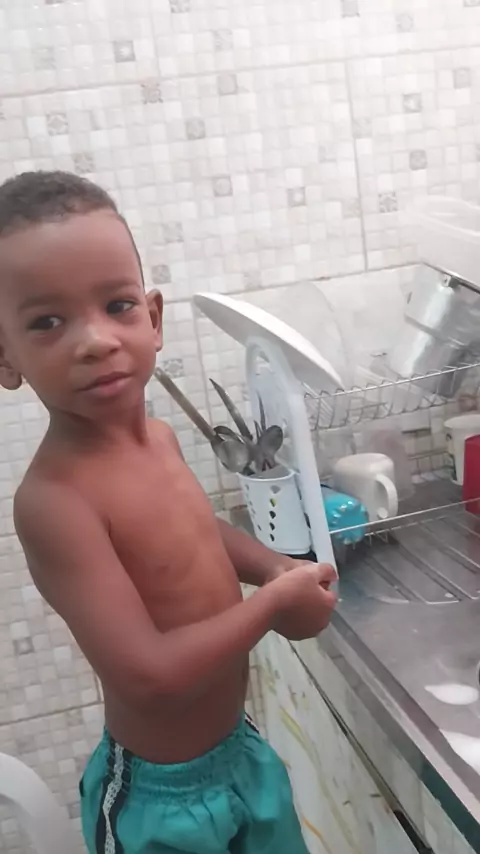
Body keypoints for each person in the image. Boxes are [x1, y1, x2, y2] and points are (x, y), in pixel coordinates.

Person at [0, 170, 337, 854]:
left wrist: (275, 567)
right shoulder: (55, 502)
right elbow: (148, 677)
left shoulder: (159, 438)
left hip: (240, 757)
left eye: (117, 305)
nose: (95, 340)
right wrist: (273, 604)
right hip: (159, 804)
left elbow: (194, 532)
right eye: (47, 322)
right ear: (5, 357)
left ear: (153, 320)